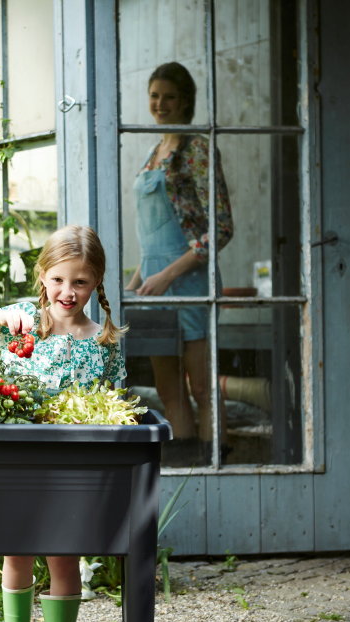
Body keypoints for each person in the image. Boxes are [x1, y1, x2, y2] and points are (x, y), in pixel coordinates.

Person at [0, 224, 126, 622]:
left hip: (70, 468)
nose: (67, 291)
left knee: (63, 554)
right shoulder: (23, 319)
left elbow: (114, 404)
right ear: (42, 276)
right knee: (16, 550)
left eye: (80, 282)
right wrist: (0, 314)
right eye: (58, 280)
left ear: (96, 283)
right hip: (17, 460)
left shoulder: (103, 341)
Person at [125, 61, 234, 464]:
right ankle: (186, 469)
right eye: (154, 96)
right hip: (153, 285)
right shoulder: (155, 151)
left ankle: (215, 469)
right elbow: (150, 237)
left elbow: (221, 228)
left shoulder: (199, 149)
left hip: (187, 282)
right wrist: (136, 282)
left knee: (202, 386)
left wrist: (168, 274)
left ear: (185, 100)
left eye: (169, 96)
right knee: (167, 388)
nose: (160, 104)